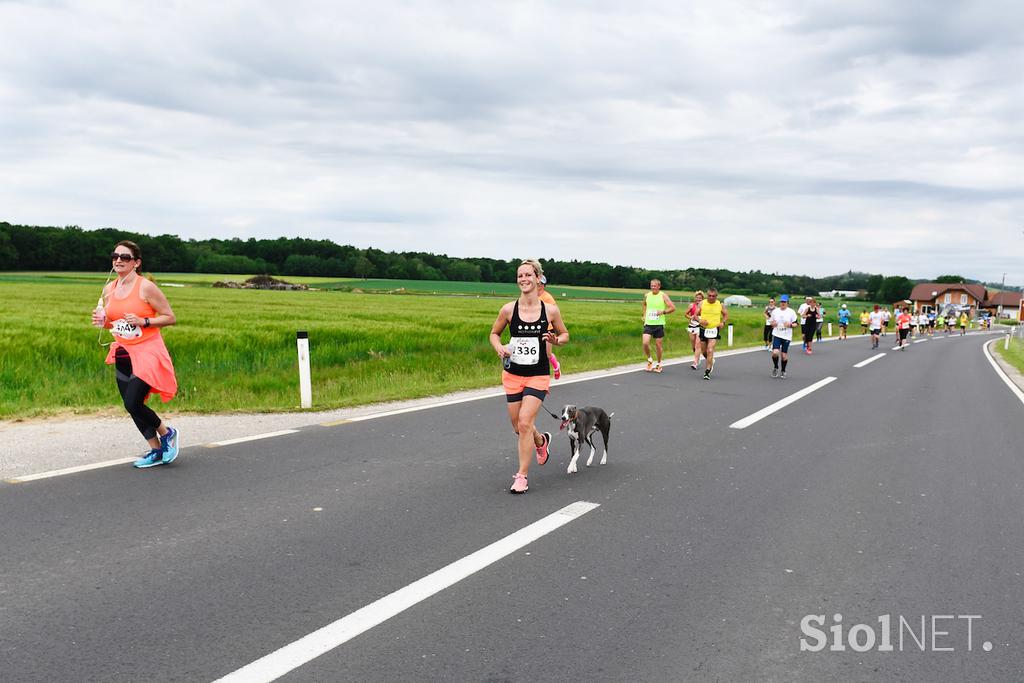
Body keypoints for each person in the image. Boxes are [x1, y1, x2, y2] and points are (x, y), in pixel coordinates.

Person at [91, 241, 180, 468]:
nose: (118, 260)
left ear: (136, 263)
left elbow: (169, 317)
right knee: (129, 405)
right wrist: (104, 321)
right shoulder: (109, 289)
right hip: (123, 351)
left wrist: (144, 321)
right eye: (115, 256)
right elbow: (113, 323)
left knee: (134, 401)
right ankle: (156, 449)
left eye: (125, 257)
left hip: (148, 350)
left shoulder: (145, 287)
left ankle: (167, 433)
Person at [490, 259, 569, 494]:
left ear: (537, 278)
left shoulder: (550, 310)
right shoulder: (508, 309)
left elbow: (565, 335)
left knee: (525, 422)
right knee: (518, 426)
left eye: (528, 275)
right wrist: (498, 347)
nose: (523, 279)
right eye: (520, 276)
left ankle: (521, 476)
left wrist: (556, 340)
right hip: (513, 374)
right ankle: (540, 441)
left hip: (537, 375)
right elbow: (494, 333)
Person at [641, 279, 676, 373]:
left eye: (655, 286)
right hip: (648, 323)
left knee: (658, 345)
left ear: (659, 286)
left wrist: (663, 312)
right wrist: (644, 315)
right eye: (651, 285)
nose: (653, 287)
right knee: (645, 343)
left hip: (659, 324)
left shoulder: (663, 295)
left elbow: (673, 308)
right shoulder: (647, 295)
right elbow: (644, 304)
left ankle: (659, 363)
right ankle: (649, 360)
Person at [698, 288, 727, 380]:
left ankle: (707, 371)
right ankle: (710, 361)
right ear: (707, 295)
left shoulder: (720, 304)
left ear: (716, 296)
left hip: (714, 329)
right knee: (704, 351)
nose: (711, 298)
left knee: (710, 350)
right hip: (703, 329)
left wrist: (723, 322)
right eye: (709, 296)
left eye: (713, 296)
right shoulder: (702, 303)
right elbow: (695, 315)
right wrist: (700, 320)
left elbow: (726, 315)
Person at [537, 276, 561, 379]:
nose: (538, 285)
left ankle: (556, 367)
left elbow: (555, 312)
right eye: (537, 283)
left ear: (543, 285)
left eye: (540, 284)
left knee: (547, 353)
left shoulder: (547, 297)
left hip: (548, 328)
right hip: (536, 328)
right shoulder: (531, 296)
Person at [769, 294, 799, 378]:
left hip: (787, 335)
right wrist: (773, 324)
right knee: (775, 353)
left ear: (787, 303)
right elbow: (771, 322)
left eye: (784, 302)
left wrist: (790, 325)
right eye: (781, 302)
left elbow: (796, 323)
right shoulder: (775, 311)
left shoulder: (791, 312)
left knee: (783, 356)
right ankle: (775, 367)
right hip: (777, 334)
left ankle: (783, 370)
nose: (783, 303)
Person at [686, 290, 704, 370]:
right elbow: (685, 314)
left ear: (702, 299)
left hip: (699, 327)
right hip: (691, 327)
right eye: (697, 298)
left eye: (700, 298)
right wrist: (691, 317)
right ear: (695, 298)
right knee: (693, 346)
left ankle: (695, 363)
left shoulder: (704, 306)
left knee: (697, 345)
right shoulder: (691, 306)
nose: (698, 300)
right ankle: (697, 357)